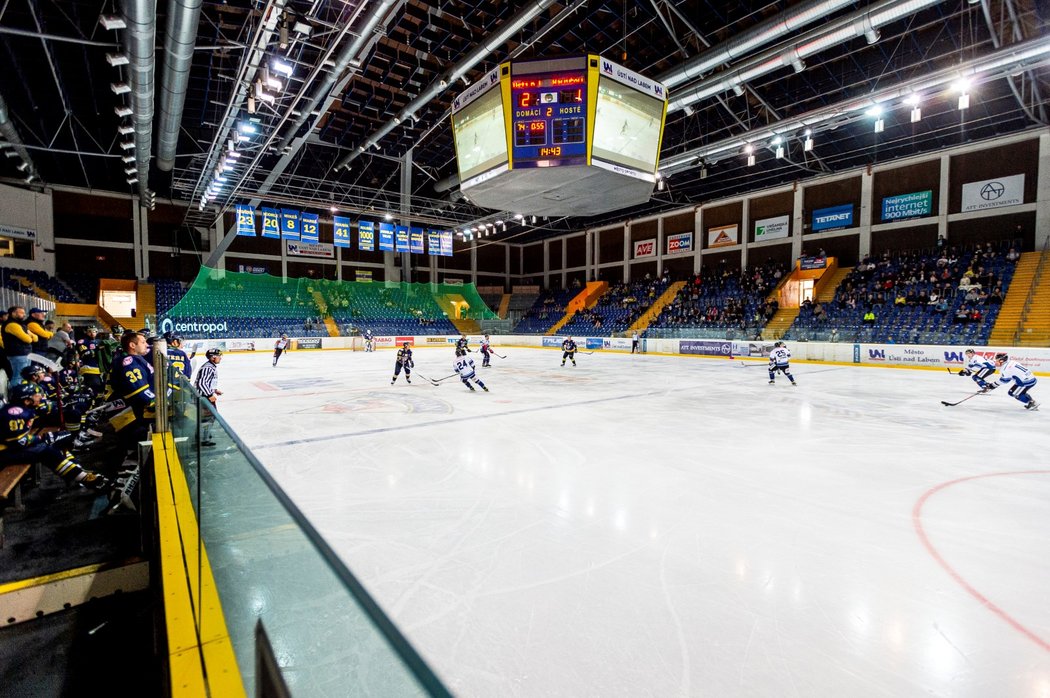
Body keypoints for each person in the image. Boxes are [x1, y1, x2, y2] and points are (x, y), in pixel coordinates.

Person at [0, 383, 111, 492]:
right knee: (47, 451)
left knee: (57, 443)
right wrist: (42, 438)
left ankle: (77, 471)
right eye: (35, 395)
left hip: (11, 448)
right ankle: (83, 478)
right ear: (27, 400)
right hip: (5, 452)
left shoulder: (22, 409)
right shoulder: (15, 413)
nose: (39, 397)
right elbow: (18, 442)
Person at [193, 349, 223, 446]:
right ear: (213, 357)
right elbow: (202, 383)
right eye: (218, 356)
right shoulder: (208, 368)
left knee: (206, 417)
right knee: (209, 417)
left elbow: (206, 382)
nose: (220, 358)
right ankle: (203, 439)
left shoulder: (210, 366)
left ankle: (201, 435)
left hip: (205, 395)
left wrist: (214, 390)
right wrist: (210, 395)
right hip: (204, 397)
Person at [3, 306, 38, 386]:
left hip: (25, 353)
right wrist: (29, 336)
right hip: (17, 355)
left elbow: (35, 338)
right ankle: (15, 395)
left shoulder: (21, 325)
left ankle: (23, 394)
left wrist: (30, 336)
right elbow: (27, 339)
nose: (24, 314)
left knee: (25, 377)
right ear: (13, 313)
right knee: (18, 377)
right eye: (21, 313)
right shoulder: (11, 325)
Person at [76, 326, 104, 396]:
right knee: (94, 387)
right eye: (89, 331)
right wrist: (97, 350)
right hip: (89, 369)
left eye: (94, 331)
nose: (92, 333)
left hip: (101, 369)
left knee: (102, 389)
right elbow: (85, 354)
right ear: (86, 332)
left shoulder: (100, 341)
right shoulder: (82, 341)